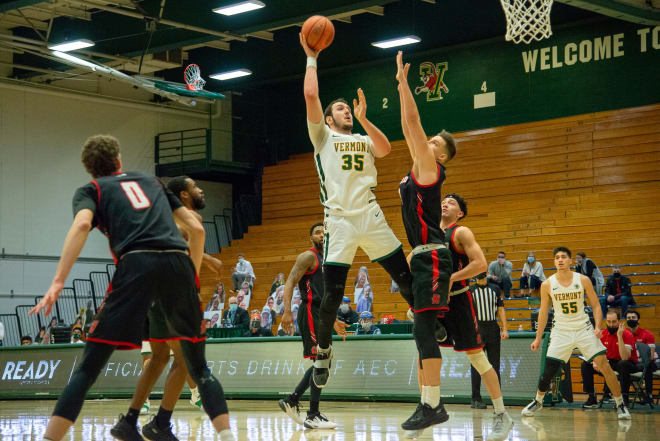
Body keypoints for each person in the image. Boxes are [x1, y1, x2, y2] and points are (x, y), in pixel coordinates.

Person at [29, 134, 234, 441]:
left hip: (137, 264)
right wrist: (188, 277)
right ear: (120, 161)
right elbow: (195, 227)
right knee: (197, 366)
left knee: (88, 369)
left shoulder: (92, 189)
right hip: (178, 265)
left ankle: (53, 437)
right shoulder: (150, 181)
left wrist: (58, 281)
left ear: (90, 169)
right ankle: (226, 436)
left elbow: (83, 225)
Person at [300, 33, 416, 390]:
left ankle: (427, 321)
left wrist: (365, 118)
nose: (345, 110)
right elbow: (310, 95)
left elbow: (385, 149)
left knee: (404, 275)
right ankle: (323, 352)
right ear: (329, 120)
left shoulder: (362, 138)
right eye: (340, 109)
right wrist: (312, 57)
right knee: (332, 295)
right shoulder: (322, 137)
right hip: (339, 220)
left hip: (370, 213)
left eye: (346, 108)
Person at [521, 247, 630, 420]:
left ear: (571, 261)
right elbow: (543, 312)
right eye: (557, 257)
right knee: (548, 371)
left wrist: (597, 326)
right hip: (561, 331)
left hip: (583, 329)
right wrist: (537, 338)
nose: (560, 260)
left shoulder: (583, 279)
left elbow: (595, 305)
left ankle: (620, 404)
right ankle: (538, 401)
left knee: (604, 365)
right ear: (554, 261)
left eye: (564, 257)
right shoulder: (547, 284)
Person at [279, 222, 347, 429]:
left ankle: (294, 401)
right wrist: (287, 311)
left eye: (325, 232)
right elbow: (290, 281)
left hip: (323, 314)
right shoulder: (308, 256)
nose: (322, 235)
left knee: (325, 362)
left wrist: (334, 320)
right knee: (321, 361)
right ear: (311, 238)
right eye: (318, 232)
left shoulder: (327, 260)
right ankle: (312, 413)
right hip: (310, 312)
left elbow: (326, 295)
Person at [580, 310, 639, 408]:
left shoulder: (627, 334)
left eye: (614, 322)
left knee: (622, 364)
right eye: (609, 322)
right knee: (586, 364)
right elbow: (596, 352)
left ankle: (623, 399)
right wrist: (595, 361)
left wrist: (619, 336)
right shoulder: (603, 334)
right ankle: (592, 398)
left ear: (619, 321)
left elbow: (625, 357)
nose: (611, 325)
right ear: (605, 321)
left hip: (628, 364)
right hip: (610, 362)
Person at [469, 272, 509, 409]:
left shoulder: (495, 289)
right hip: (476, 329)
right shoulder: (470, 290)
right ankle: (475, 398)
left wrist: (505, 329)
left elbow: (501, 309)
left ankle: (497, 399)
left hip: (492, 327)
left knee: (495, 365)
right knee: (476, 365)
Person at [626, 310, 656, 403]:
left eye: (633, 318)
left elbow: (651, 356)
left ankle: (648, 395)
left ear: (638, 320)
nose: (631, 320)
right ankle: (621, 396)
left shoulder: (647, 334)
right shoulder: (623, 334)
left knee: (649, 364)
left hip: (645, 363)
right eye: (628, 318)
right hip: (632, 363)